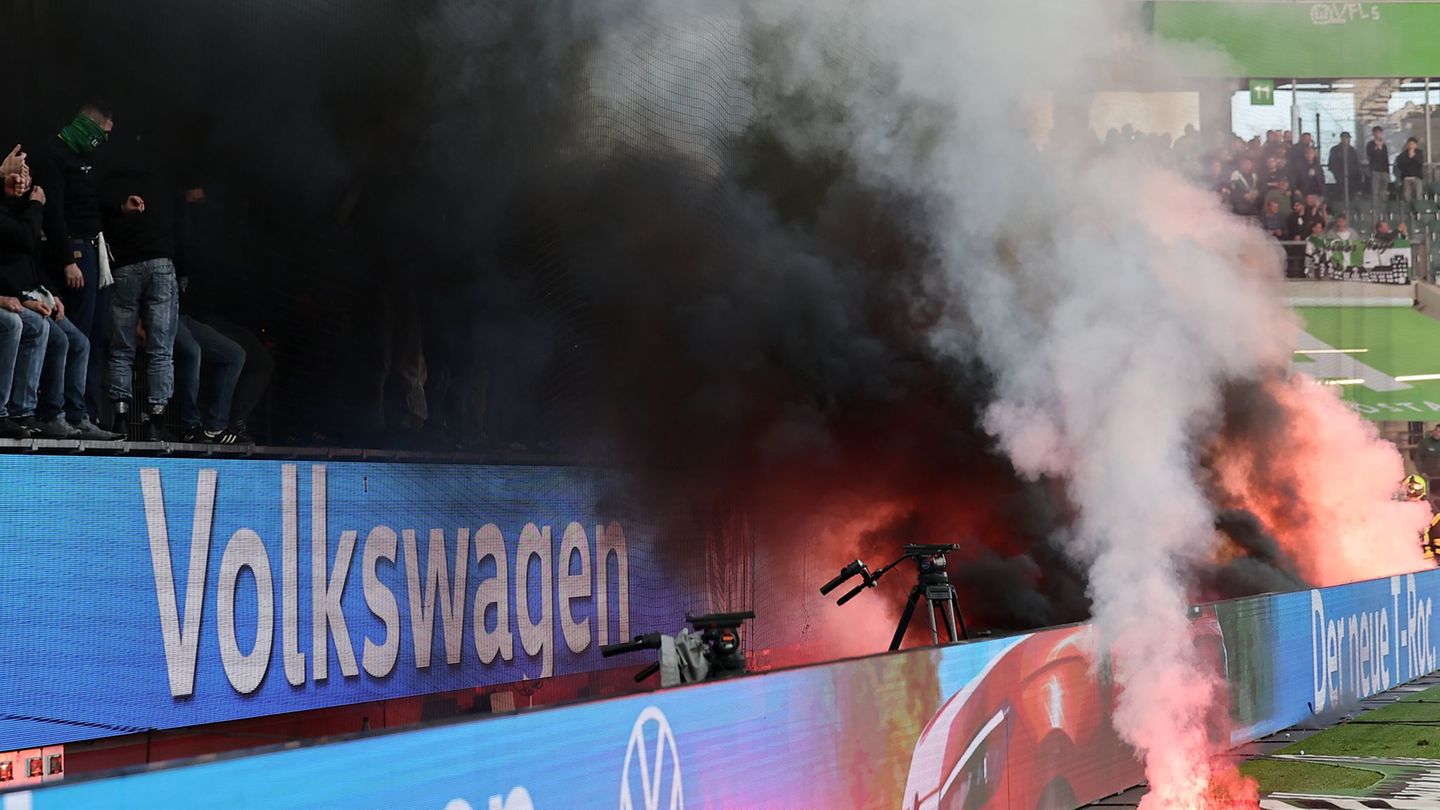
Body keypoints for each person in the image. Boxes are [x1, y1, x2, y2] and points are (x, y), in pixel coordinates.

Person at [0, 170, 119, 439]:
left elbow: (33, 260)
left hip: (32, 293)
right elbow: (23, 240)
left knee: (78, 342)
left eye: (27, 175)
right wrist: (23, 299)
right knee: (33, 328)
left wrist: (52, 294)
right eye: (17, 174)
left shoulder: (25, 211)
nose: (22, 181)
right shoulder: (19, 214)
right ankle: (23, 412)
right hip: (14, 297)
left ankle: (73, 415)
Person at [30, 103, 114, 420]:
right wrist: (67, 258)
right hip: (74, 250)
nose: (102, 142)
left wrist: (120, 207)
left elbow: (91, 202)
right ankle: (62, 410)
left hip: (95, 250)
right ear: (87, 125)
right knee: (75, 334)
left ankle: (86, 412)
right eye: (101, 133)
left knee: (96, 336)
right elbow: (53, 211)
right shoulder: (51, 154)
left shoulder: (85, 160)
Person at [99, 154, 179, 440]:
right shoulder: (161, 183)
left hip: (124, 268)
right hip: (160, 265)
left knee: (121, 348)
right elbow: (178, 226)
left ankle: (120, 418)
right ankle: (156, 421)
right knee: (161, 349)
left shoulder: (108, 186)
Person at [1328, 132, 1365, 200]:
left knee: (1351, 189)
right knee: (1342, 189)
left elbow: (1356, 162)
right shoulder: (1335, 150)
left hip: (1351, 174)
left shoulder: (1352, 150)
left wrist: (1357, 171)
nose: (1347, 140)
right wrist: (1337, 172)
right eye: (1345, 138)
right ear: (1341, 139)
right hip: (1340, 174)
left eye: (1348, 138)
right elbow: (1332, 163)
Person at [1396, 137, 1426, 204]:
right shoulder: (1403, 155)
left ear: (1416, 145)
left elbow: (1420, 163)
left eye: (1413, 144)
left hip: (1417, 177)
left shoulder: (1419, 153)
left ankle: (1418, 208)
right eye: (1409, 144)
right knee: (1407, 196)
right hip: (1407, 178)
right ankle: (1409, 208)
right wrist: (1409, 157)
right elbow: (1401, 165)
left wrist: (1414, 156)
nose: (1411, 146)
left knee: (1418, 195)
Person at [1367, 126, 1391, 205]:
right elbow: (1369, 155)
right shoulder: (1370, 145)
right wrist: (1376, 148)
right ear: (1373, 134)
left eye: (1379, 132)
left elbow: (1386, 158)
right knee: (1375, 190)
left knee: (1384, 190)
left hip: (1384, 170)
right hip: (1375, 170)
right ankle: (1375, 207)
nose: (1378, 134)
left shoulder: (1384, 145)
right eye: (1376, 132)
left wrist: (1388, 172)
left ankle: (1383, 206)